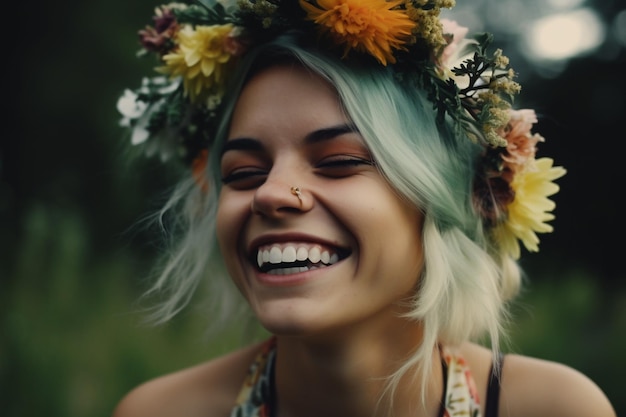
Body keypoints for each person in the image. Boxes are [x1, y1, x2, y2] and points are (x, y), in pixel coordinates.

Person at [112, 1, 616, 416]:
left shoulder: (556, 408)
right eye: (243, 173)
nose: (268, 193)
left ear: (442, 198)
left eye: (339, 161)